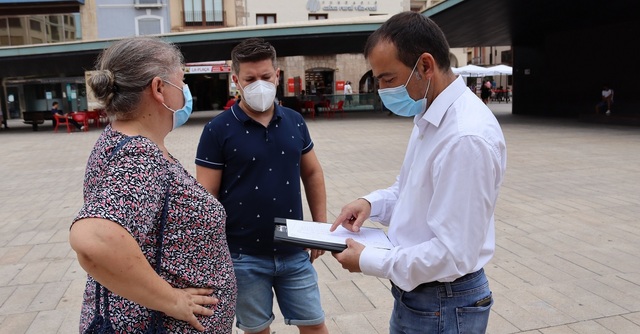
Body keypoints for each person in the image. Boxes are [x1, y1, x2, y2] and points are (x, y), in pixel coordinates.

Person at [330, 12, 507, 334]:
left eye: (388, 79)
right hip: (425, 297)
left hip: (444, 301)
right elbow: (409, 188)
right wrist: (370, 203)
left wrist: (369, 260)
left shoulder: (465, 137)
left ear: (425, 66)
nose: (381, 90)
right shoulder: (431, 115)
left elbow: (453, 253)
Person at [68, 36, 237, 333]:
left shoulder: (118, 140)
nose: (185, 91)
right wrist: (172, 300)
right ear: (159, 89)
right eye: (181, 81)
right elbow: (94, 239)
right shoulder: (139, 153)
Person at [195, 37, 329, 334]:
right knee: (257, 331)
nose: (260, 84)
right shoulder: (217, 130)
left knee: (315, 326)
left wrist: (319, 227)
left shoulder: (294, 121)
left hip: (294, 250)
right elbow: (206, 197)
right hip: (243, 256)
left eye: (266, 77)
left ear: (277, 75)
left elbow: (313, 173)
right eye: (250, 79)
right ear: (236, 81)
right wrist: (212, 254)